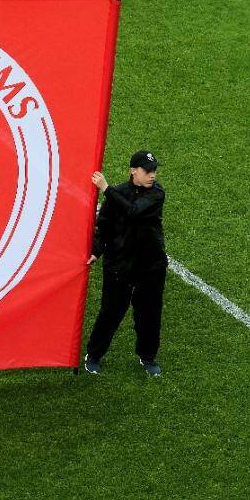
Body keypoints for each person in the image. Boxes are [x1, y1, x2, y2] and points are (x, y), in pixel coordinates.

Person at [84, 151, 167, 377]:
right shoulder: (118, 194)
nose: (153, 175)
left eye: (154, 171)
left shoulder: (156, 194)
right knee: (111, 312)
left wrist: (106, 189)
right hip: (119, 266)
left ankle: (148, 357)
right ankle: (93, 355)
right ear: (133, 171)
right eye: (147, 171)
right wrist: (96, 251)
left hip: (150, 267)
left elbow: (133, 211)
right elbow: (105, 228)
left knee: (149, 314)